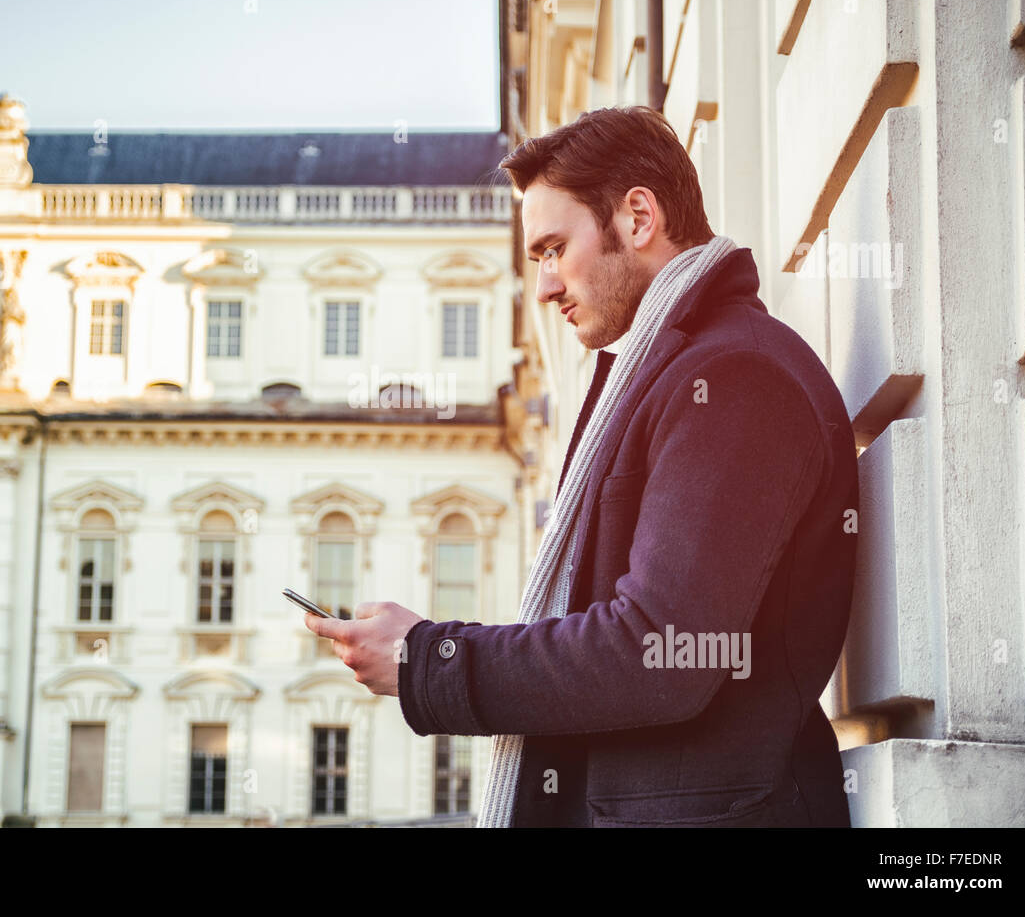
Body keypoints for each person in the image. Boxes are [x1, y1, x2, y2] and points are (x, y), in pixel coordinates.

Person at [303, 105, 859, 827]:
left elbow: (659, 652)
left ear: (637, 217)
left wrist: (428, 662)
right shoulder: (684, 372)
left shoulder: (733, 377)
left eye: (553, 249)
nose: (544, 286)